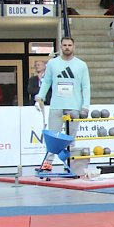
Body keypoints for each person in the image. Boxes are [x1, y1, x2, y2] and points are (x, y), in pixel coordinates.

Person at [35, 37, 91, 172]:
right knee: (53, 137)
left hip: (74, 107)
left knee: (71, 139)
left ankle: (71, 165)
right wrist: (40, 96)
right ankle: (48, 163)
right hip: (56, 106)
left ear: (74, 46)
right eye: (64, 45)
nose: (67, 47)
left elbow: (86, 87)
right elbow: (46, 82)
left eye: (69, 45)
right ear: (60, 46)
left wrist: (85, 106)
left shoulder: (81, 65)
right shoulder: (52, 64)